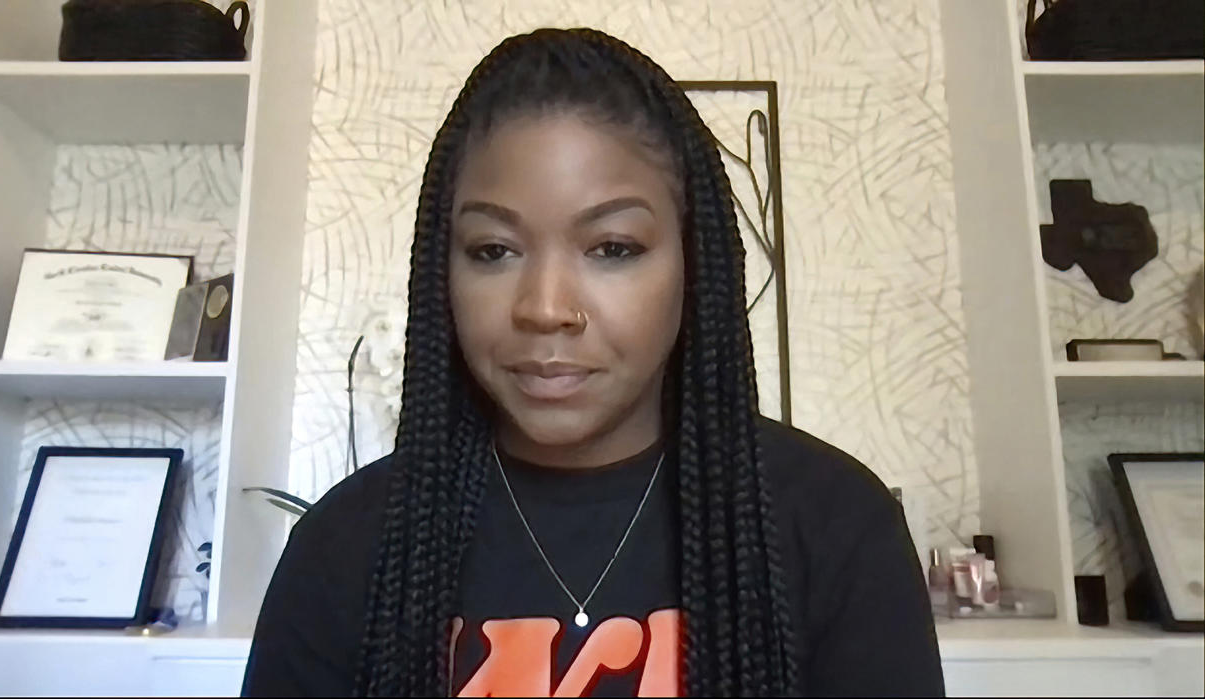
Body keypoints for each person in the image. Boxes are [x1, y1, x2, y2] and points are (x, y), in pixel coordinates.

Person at [243, 27, 943, 698]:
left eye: (612, 248)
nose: (545, 307)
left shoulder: (835, 527)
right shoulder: (346, 548)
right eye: (493, 250)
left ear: (694, 263)